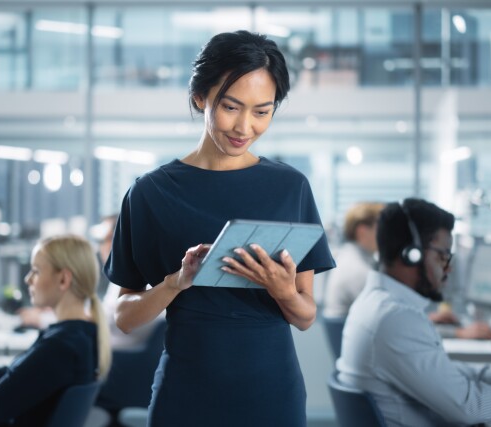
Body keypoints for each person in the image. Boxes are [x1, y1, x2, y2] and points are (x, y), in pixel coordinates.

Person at [104, 30, 335, 427]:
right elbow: (124, 317)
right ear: (200, 97)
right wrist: (176, 282)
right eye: (231, 107)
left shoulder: (290, 187)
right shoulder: (149, 193)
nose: (244, 126)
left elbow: (305, 315)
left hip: (272, 391)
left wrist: (282, 291)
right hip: (187, 392)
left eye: (262, 112)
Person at [337, 198, 491, 426]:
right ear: (411, 254)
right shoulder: (395, 318)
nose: (448, 267)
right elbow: (468, 407)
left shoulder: (376, 303)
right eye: (443, 256)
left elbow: (439, 371)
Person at [0, 235, 111, 426]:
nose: (27, 279)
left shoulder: (59, 346)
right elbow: (24, 374)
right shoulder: (84, 332)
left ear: (63, 279)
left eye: (36, 271)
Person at [323, 201, 491, 340]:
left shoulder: (354, 260)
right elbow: (395, 325)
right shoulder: (356, 270)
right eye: (381, 228)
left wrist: (429, 320)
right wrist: (459, 333)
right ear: (362, 231)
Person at [18, 214, 163, 348]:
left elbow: (104, 323)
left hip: (116, 360)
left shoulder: (139, 283)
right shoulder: (125, 278)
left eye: (105, 239)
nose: (102, 247)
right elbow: (104, 315)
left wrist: (44, 319)